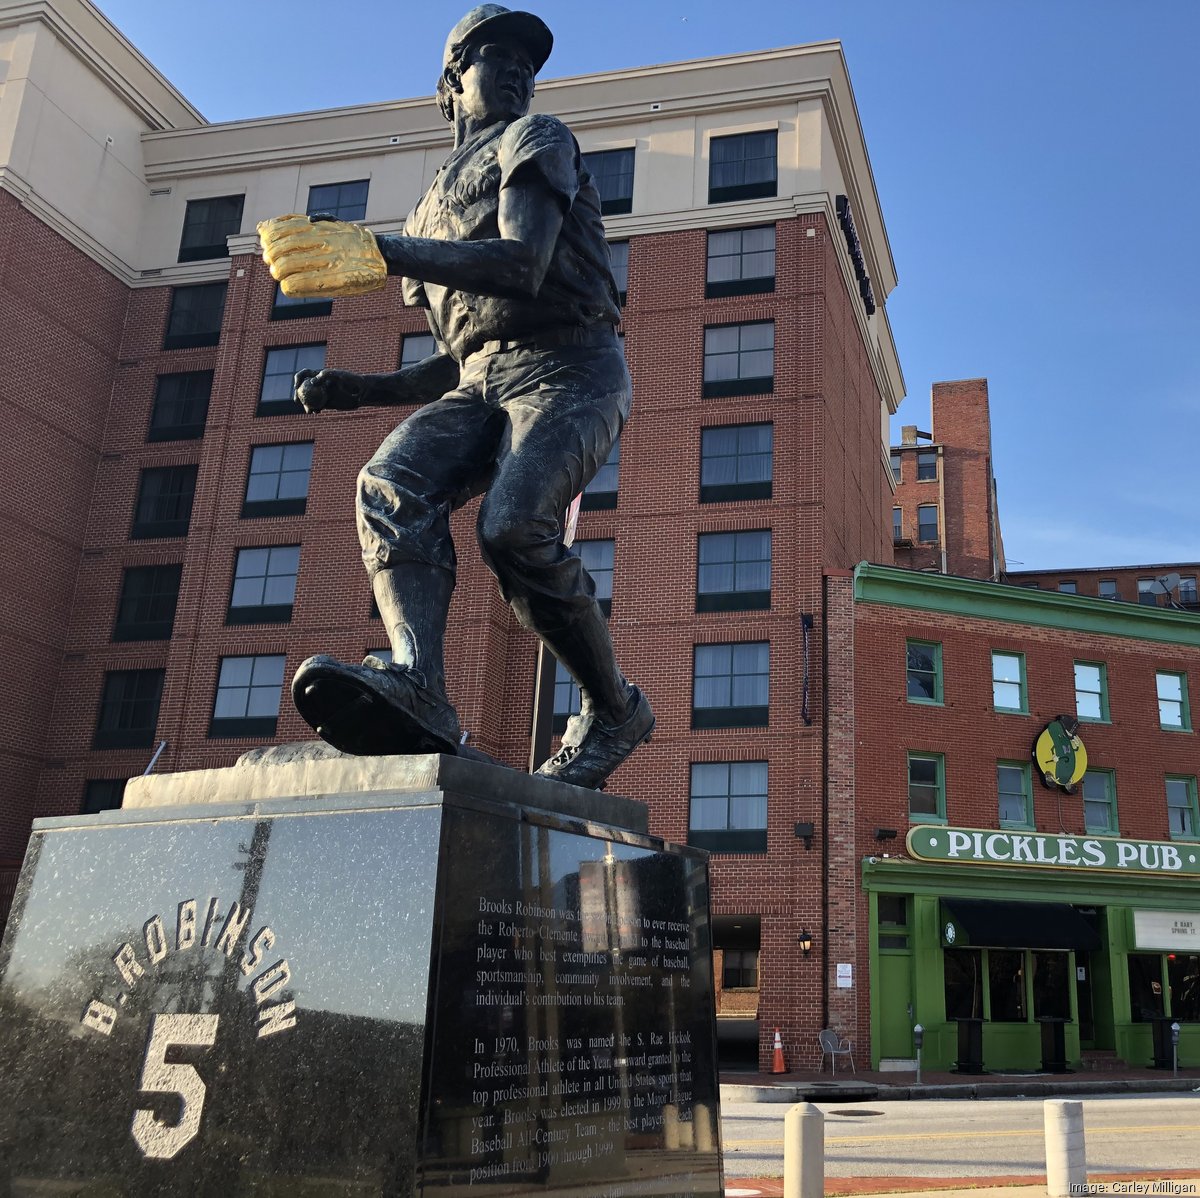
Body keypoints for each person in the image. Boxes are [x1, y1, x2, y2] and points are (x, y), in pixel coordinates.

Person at [260, 4, 653, 790]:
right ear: (450, 83)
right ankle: (419, 681)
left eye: (526, 62)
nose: (517, 71)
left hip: (571, 369)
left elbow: (520, 267)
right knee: (388, 482)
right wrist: (361, 389)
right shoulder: (429, 204)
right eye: (492, 56)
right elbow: (462, 354)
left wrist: (378, 248)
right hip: (484, 382)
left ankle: (614, 709)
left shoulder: (536, 139)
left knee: (511, 528)